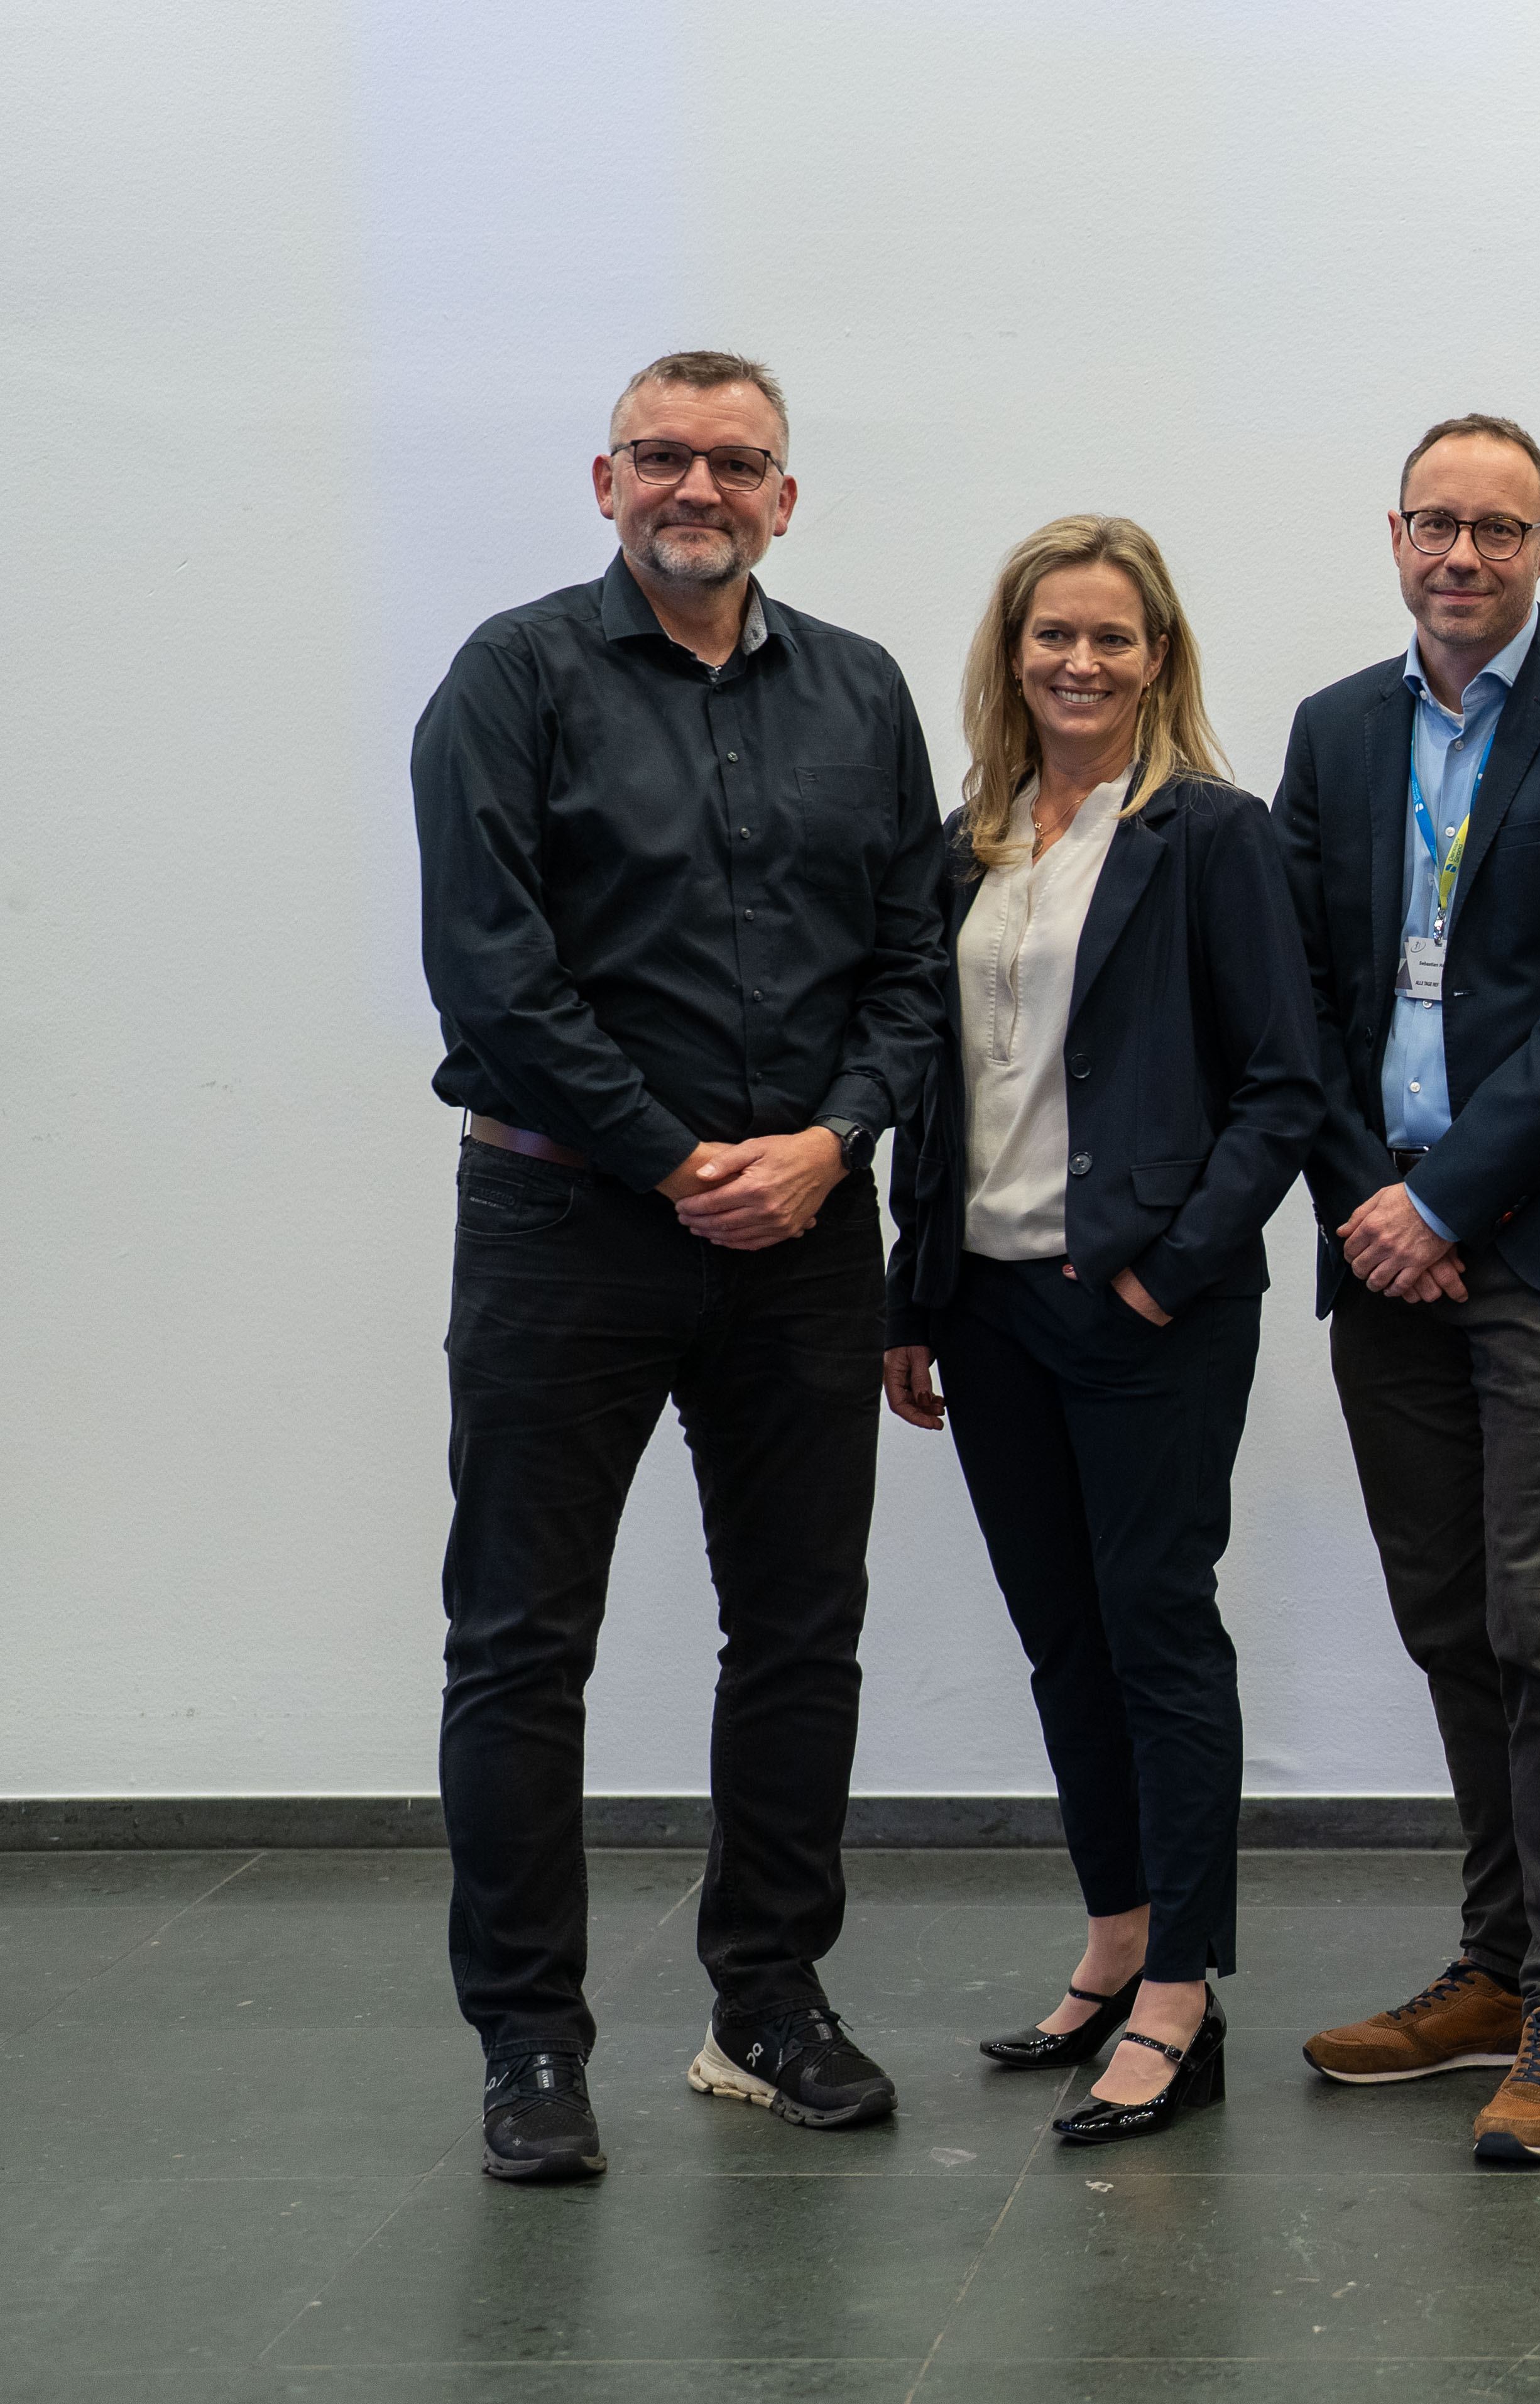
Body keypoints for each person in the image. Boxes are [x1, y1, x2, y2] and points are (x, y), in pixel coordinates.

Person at [412, 351, 946, 2179]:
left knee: (798, 1630)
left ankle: (767, 2002)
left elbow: (912, 964)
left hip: (804, 1234)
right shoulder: (511, 677)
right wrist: (670, 1156)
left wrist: (830, 1141)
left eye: (735, 462)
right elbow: (491, 968)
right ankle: (529, 2042)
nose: (696, 488)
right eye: (663, 456)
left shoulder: (863, 690)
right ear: (606, 480)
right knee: (520, 1640)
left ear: (786, 497)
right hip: (563, 1224)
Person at [1274, 413, 1540, 2165]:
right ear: (1394, 535)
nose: (1463, 556)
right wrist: (1370, 1200)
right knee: (1448, 1616)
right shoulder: (1336, 729)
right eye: (1435, 524)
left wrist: (1445, 1197)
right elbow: (1297, 999)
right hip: (1382, 1241)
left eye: (1498, 530)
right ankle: (1495, 1960)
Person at [879, 516, 1321, 2146]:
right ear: (1011, 656)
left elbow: (1284, 1084)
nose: (1079, 661)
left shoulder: (1208, 833)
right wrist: (910, 1296)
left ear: (1157, 659)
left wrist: (1168, 1268)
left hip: (1142, 1309)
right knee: (1062, 1635)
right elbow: (932, 1087)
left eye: (1111, 638)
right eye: (1050, 634)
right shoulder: (967, 843)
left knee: (1156, 1631)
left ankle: (1183, 1995)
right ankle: (1117, 1937)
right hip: (984, 1304)